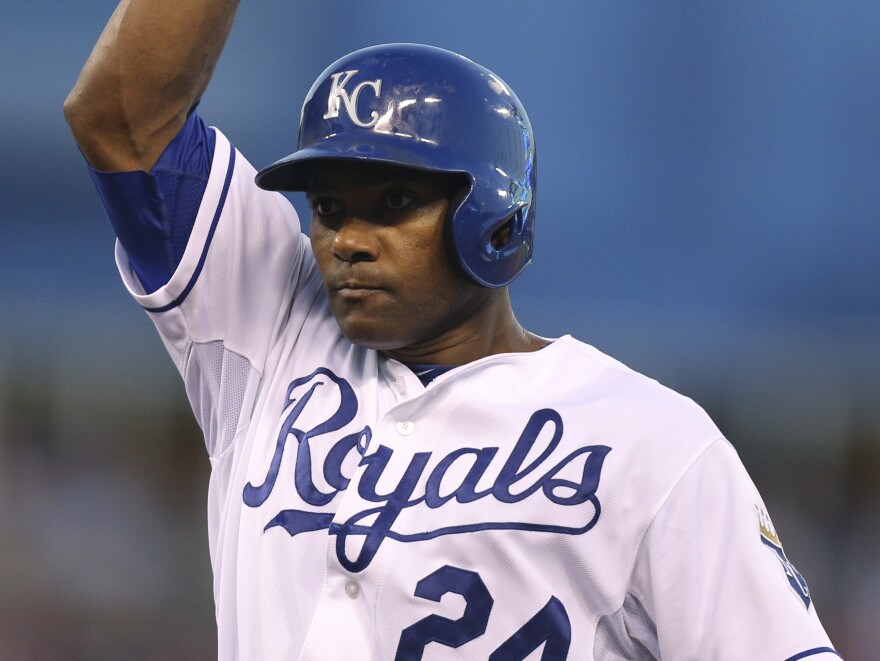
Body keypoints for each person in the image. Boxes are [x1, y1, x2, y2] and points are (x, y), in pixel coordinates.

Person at [64, 2, 842, 659]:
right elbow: (123, 121)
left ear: (494, 218)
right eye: (329, 207)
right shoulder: (269, 332)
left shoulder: (653, 442)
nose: (348, 239)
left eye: (394, 200)